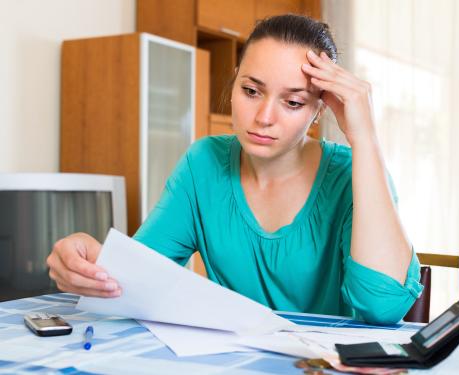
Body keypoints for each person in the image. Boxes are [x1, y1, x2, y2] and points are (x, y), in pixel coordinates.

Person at [47, 14, 422, 324]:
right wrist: (89, 261)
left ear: (319, 109)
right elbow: (134, 282)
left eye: (292, 101)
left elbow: (383, 307)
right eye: (251, 91)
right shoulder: (203, 164)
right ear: (234, 84)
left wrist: (365, 140)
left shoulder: (351, 175)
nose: (263, 118)